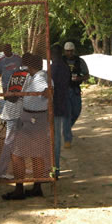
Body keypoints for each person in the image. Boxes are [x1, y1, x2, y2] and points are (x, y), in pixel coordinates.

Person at [2, 53, 51, 200]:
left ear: (29, 65)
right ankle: (37, 187)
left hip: (34, 119)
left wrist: (47, 95)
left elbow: (47, 90)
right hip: (35, 118)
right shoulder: (35, 76)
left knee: (17, 154)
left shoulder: (40, 78)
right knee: (37, 155)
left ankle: (19, 190)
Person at [0, 63, 29, 179]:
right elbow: (17, 96)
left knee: (19, 142)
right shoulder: (28, 76)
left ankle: (21, 166)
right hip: (16, 111)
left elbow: (9, 91)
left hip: (11, 110)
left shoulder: (15, 74)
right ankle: (1, 171)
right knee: (9, 143)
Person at [50, 44, 71, 178]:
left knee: (53, 140)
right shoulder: (65, 67)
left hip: (52, 106)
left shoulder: (51, 69)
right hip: (62, 105)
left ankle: (54, 170)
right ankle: (55, 169)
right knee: (56, 138)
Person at [63, 41, 89, 148]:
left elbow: (87, 75)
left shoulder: (80, 61)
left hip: (75, 90)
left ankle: (66, 128)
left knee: (76, 111)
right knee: (67, 114)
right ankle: (67, 139)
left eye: (71, 51)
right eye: (67, 51)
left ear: (74, 51)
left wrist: (80, 78)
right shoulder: (61, 61)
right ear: (65, 51)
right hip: (64, 91)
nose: (69, 53)